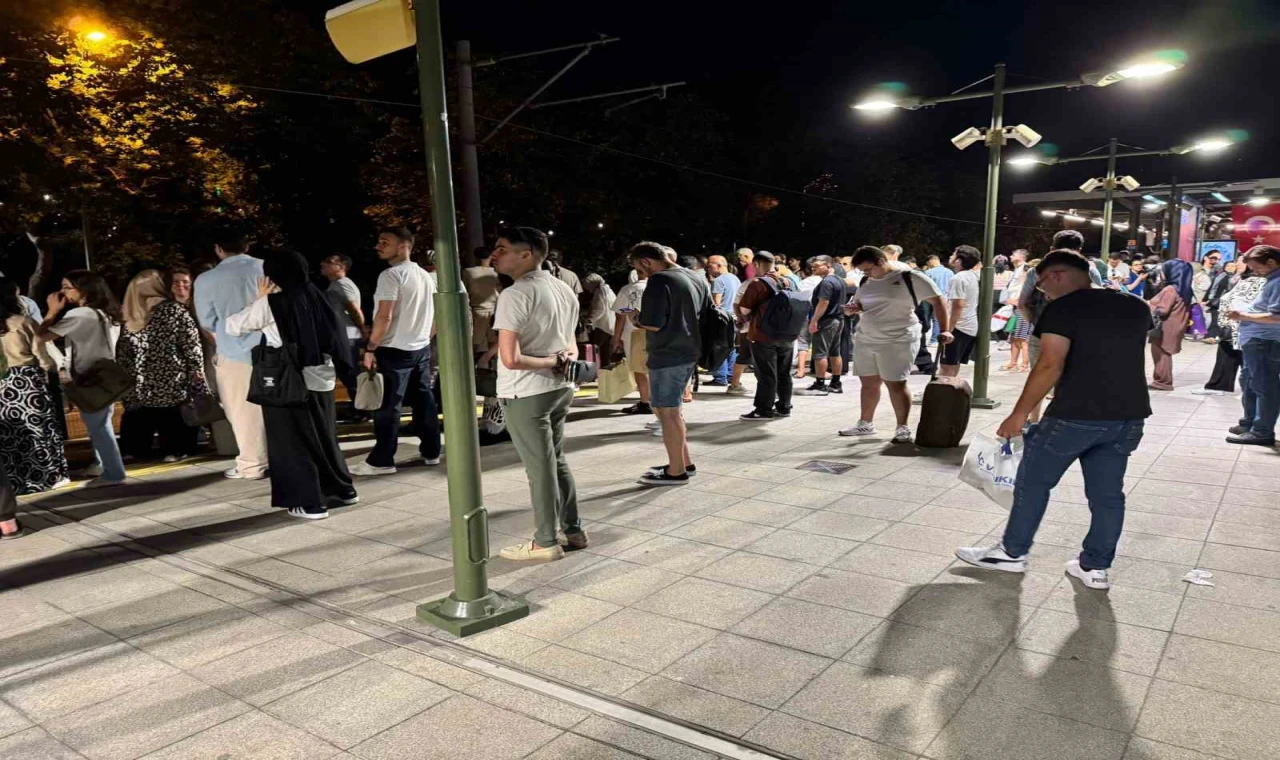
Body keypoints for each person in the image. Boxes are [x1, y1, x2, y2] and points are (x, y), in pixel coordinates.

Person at [956, 250, 1151, 589]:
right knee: (1107, 495)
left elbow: (1049, 364)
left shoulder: (1063, 309)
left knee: (1033, 483)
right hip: (1129, 415)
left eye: (1042, 283)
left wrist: (1018, 415)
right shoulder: (1134, 305)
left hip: (1076, 413)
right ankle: (1095, 567)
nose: (1041, 291)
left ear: (1058, 275)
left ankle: (1012, 552)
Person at [226, 250, 356, 519]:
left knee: (292, 443)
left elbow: (233, 326)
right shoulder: (319, 296)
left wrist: (259, 298)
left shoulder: (272, 303)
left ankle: (310, 503)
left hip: (288, 381)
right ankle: (343, 490)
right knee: (324, 437)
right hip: (322, 377)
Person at [484, 228, 585, 560]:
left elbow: (510, 359)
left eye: (501, 249)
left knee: (539, 468)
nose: (494, 255)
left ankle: (545, 542)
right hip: (560, 388)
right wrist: (558, 361)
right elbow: (570, 344)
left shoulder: (516, 294)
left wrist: (548, 361)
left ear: (526, 255)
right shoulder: (563, 287)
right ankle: (573, 530)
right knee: (556, 461)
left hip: (525, 392)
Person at [351, 227, 442, 475]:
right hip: (420, 347)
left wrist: (371, 347)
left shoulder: (391, 276)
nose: (378, 246)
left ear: (403, 246)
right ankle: (432, 451)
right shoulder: (426, 276)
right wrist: (424, 337)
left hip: (393, 350)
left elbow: (384, 315)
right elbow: (436, 315)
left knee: (388, 406)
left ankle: (382, 461)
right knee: (425, 401)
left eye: (385, 242)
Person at [840, 246, 952, 442]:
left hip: (898, 338)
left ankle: (903, 427)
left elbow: (939, 301)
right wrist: (854, 308)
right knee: (868, 383)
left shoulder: (909, 277)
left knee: (896, 383)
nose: (865, 274)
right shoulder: (867, 280)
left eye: (868, 269)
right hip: (867, 337)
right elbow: (861, 304)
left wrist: (945, 329)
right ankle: (865, 423)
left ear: (881, 261)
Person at [36, 270, 128, 487]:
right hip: (106, 376)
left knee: (99, 427)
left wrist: (51, 311)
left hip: (89, 377)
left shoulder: (80, 315)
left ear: (84, 289)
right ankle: (104, 466)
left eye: (68, 287)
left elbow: (40, 337)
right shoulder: (104, 313)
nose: (62, 292)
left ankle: (114, 473)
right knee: (101, 423)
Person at [632, 241, 709, 485]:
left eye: (641, 270)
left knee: (667, 413)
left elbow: (653, 323)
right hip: (690, 350)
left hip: (668, 352)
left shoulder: (660, 280)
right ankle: (684, 462)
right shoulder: (696, 277)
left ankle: (676, 472)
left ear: (646, 261)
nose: (643, 275)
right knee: (674, 411)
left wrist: (635, 318)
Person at [195, 228, 268, 480]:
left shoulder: (206, 279)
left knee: (242, 410)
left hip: (235, 350)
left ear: (218, 249)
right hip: (276, 348)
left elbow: (207, 320)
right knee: (281, 404)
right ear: (246, 246)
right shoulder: (266, 267)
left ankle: (252, 464)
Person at [116, 269, 210, 462]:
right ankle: (176, 450)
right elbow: (190, 343)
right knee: (173, 415)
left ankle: (135, 450)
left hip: (140, 379)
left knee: (143, 416)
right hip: (172, 375)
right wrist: (196, 369)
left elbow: (123, 353)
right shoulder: (173, 310)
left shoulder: (130, 316)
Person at [0, 279, 67, 492]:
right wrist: (53, 369)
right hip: (26, 381)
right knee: (38, 428)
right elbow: (43, 356)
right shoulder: (23, 321)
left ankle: (16, 480)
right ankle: (47, 475)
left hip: (2, 383)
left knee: (11, 433)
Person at [1226, 245, 1280, 446]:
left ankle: (1262, 431)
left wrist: (1243, 315)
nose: (1255, 272)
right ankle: (1249, 423)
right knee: (1249, 382)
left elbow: (1277, 316)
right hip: (1256, 339)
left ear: (1271, 262)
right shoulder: (1272, 280)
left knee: (1265, 386)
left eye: (1257, 268)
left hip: (1264, 341)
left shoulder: (1278, 282)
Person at [734, 251, 796, 420]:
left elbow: (745, 310)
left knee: (766, 374)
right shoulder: (787, 281)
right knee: (784, 373)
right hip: (787, 335)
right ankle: (784, 406)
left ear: (757, 264)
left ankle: (763, 409)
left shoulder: (757, 284)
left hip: (763, 335)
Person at [319, 254, 368, 415]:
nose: (323, 264)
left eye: (328, 262)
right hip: (345, 335)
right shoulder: (336, 285)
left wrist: (362, 330)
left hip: (348, 336)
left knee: (349, 373)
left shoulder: (342, 284)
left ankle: (361, 409)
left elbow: (354, 309)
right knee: (347, 373)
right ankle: (359, 408)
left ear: (341, 266)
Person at [1202, 261, 1257, 395]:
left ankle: (1250, 391)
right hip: (1231, 325)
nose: (1237, 263)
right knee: (1227, 354)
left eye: (1242, 261)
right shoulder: (1238, 278)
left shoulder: (1255, 281)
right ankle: (1219, 386)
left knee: (1244, 361)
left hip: (1242, 326)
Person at [799, 255, 846, 395]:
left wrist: (814, 320)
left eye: (817, 265)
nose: (813, 268)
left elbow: (823, 302)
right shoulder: (840, 280)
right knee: (834, 352)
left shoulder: (826, 282)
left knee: (820, 353)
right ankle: (836, 383)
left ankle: (820, 384)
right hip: (838, 319)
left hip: (826, 321)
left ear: (829, 266)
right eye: (812, 266)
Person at [612, 266, 652, 417]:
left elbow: (620, 317)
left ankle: (645, 402)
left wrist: (616, 340)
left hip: (634, 335)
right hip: (659, 333)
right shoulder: (661, 287)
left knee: (640, 369)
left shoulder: (627, 290)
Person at [1148, 259, 1193, 391]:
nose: (1161, 273)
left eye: (1163, 271)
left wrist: (1149, 305)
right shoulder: (1185, 289)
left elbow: (1162, 310)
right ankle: (1162, 380)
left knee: (1161, 354)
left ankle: (1162, 382)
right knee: (1165, 354)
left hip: (1165, 327)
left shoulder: (1170, 289)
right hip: (1175, 326)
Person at [939, 245, 982, 377]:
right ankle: (949, 392)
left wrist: (949, 329)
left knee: (947, 366)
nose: (951, 256)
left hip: (959, 327)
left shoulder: (958, 278)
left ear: (959, 260)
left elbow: (958, 305)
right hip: (968, 326)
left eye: (954, 254)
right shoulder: (972, 276)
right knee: (953, 364)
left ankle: (942, 393)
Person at [705, 255, 740, 386]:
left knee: (718, 348)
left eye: (709, 266)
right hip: (734, 318)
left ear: (719, 265)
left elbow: (716, 304)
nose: (707, 268)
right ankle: (730, 375)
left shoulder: (718, 281)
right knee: (731, 348)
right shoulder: (735, 278)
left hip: (722, 319)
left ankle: (720, 377)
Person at [1001, 249, 1032, 372]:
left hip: (1022, 306)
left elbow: (1027, 285)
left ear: (1021, 256)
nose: (1011, 256)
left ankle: (1024, 364)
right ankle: (1013, 362)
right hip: (1014, 306)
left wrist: (1020, 300)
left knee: (1023, 336)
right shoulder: (1016, 269)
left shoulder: (1025, 268)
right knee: (1013, 335)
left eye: (1013, 254)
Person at [580, 272, 615, 362]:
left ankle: (593, 370)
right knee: (605, 352)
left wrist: (589, 320)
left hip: (602, 326)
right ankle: (606, 371)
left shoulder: (600, 291)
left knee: (595, 351)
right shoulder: (608, 290)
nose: (587, 289)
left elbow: (599, 309)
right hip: (610, 325)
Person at [1204, 252, 1234, 342]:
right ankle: (1210, 336)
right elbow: (1212, 287)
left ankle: (1218, 336)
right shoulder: (1219, 276)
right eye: (1228, 266)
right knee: (1215, 320)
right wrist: (1206, 299)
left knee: (1222, 321)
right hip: (1216, 301)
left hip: (1228, 302)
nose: (1230, 268)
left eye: (1233, 266)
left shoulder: (1235, 278)